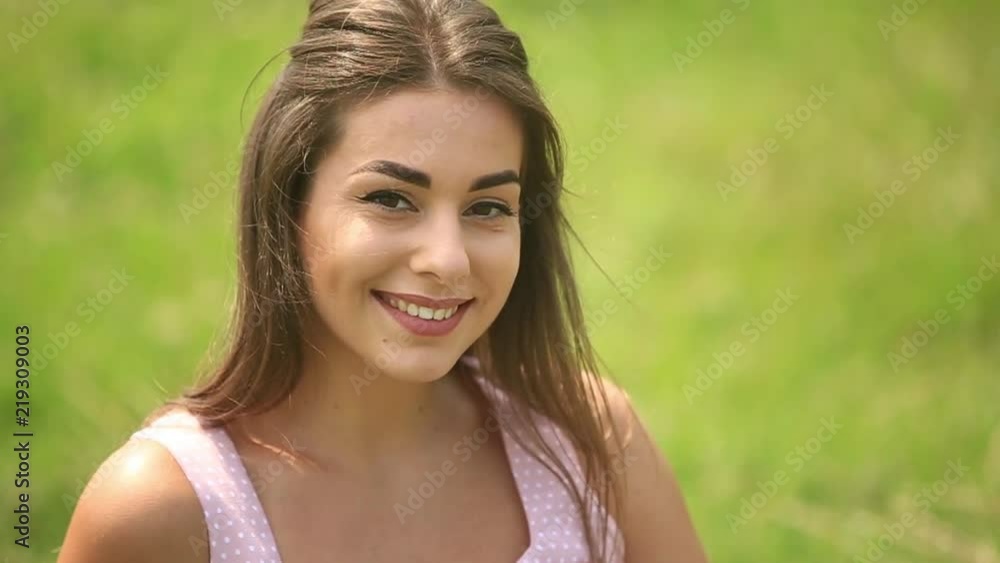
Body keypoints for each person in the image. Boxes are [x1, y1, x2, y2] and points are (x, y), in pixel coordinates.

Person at [58, 1, 708, 561]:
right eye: (391, 199)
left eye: (487, 207)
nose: (447, 260)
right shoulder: (162, 508)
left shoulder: (587, 441)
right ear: (289, 203)